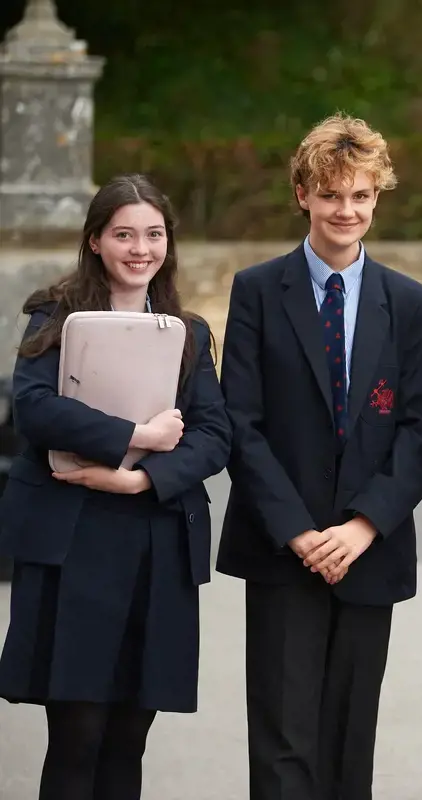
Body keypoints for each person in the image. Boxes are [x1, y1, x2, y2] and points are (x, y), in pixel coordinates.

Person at [215, 112, 422, 800]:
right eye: (331, 194)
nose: (346, 210)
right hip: (283, 547)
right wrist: (298, 530)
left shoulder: (407, 302)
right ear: (303, 195)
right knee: (284, 744)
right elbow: (240, 423)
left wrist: (362, 526)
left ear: (377, 198)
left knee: (350, 740)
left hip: (366, 547)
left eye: (360, 196)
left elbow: (420, 427)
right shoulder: (257, 290)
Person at [0, 174, 231, 800]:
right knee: (77, 734)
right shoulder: (54, 313)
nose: (140, 249)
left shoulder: (188, 330)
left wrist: (141, 478)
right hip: (71, 546)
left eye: (153, 235)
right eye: (123, 234)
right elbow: (35, 409)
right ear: (96, 241)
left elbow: (215, 435)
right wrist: (139, 433)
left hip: (155, 544)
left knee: (131, 737)